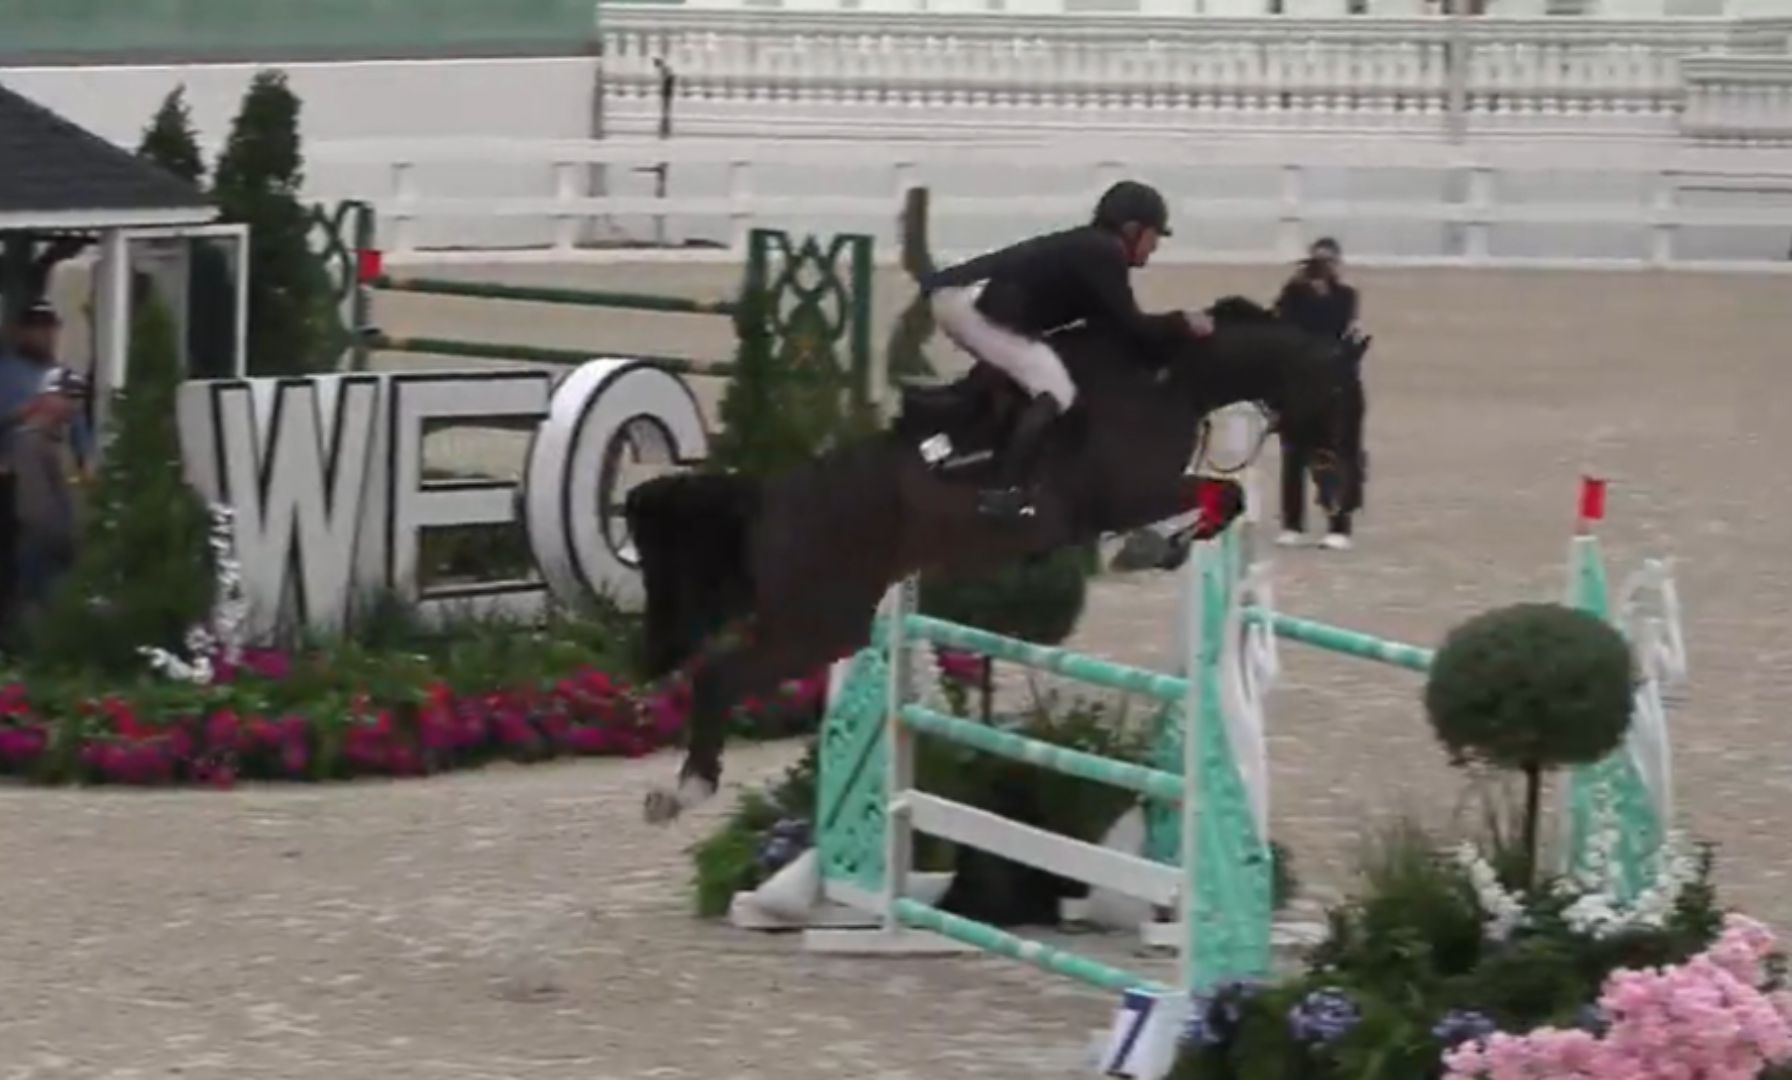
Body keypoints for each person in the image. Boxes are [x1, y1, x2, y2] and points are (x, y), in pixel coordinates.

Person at [921, 180, 1212, 521]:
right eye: (1154, 236)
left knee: (1032, 374)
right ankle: (1003, 491)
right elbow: (1130, 325)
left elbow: (1109, 329)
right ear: (1132, 229)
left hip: (960, 299)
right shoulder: (1104, 253)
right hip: (969, 304)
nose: (1154, 247)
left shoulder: (1092, 248)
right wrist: (1182, 323)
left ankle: (952, 447)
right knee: (1055, 389)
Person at [1272, 237, 1365, 552]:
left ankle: (1340, 525)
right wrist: (1298, 289)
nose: (1322, 268)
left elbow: (1337, 326)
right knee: (1293, 455)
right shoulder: (1293, 294)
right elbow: (1282, 327)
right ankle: (1292, 523)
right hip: (1299, 383)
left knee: (1340, 453)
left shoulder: (1345, 296)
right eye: (1317, 261)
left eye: (1328, 262)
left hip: (1337, 384)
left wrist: (1322, 295)